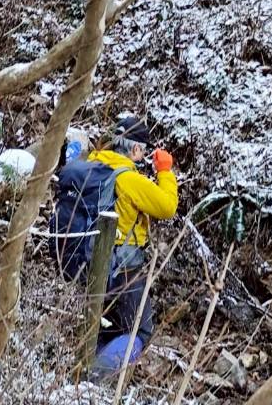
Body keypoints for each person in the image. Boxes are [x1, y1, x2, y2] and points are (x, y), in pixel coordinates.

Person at [86, 115, 178, 374]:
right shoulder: (128, 179)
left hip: (89, 259)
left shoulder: (93, 163)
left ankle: (88, 366)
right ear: (135, 148)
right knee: (140, 330)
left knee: (107, 324)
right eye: (143, 150)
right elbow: (167, 207)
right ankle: (95, 380)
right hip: (123, 266)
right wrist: (164, 171)